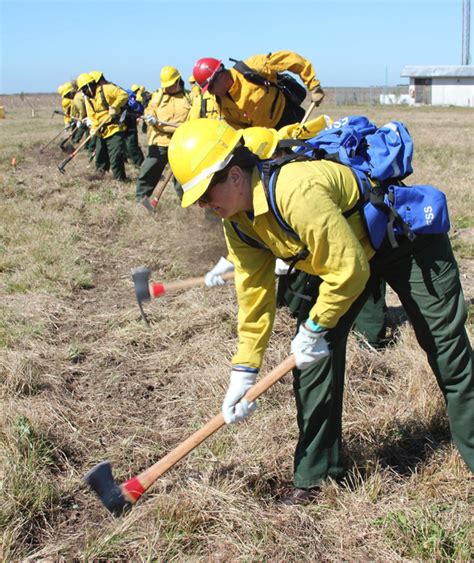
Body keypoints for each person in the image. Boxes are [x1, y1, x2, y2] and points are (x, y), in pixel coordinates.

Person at [168, 118, 474, 504]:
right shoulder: (238, 223)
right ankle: (315, 476)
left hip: (405, 243)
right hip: (347, 257)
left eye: (205, 192)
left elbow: (349, 270)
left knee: (446, 350)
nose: (204, 206)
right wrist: (244, 369)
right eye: (196, 198)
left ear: (233, 175)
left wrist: (313, 328)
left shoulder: (295, 191)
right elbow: (254, 291)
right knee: (312, 364)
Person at [192, 51, 325, 130]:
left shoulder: (253, 67)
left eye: (210, 87)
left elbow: (292, 60)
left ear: (220, 76)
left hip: (290, 119)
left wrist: (314, 86)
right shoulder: (220, 102)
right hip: (267, 138)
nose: (210, 92)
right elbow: (236, 126)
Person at [135, 66, 191, 202]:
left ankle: (187, 202)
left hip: (182, 141)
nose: (168, 88)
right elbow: (150, 109)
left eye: (171, 85)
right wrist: (149, 117)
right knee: (149, 169)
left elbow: (195, 115)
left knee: (182, 175)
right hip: (160, 140)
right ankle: (141, 198)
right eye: (166, 86)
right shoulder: (158, 96)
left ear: (178, 81)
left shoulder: (190, 97)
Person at [76, 71, 129, 181]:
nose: (84, 92)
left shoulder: (107, 89)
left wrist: (114, 107)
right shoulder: (88, 99)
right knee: (100, 156)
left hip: (114, 128)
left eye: (84, 89)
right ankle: (100, 176)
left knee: (115, 156)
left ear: (89, 85)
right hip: (101, 131)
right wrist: (93, 128)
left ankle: (120, 179)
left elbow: (124, 95)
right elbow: (92, 115)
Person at [123, 88, 145, 167]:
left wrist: (134, 106)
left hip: (131, 128)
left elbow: (140, 109)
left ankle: (140, 164)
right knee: (121, 146)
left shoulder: (133, 103)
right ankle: (125, 160)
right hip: (120, 128)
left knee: (132, 146)